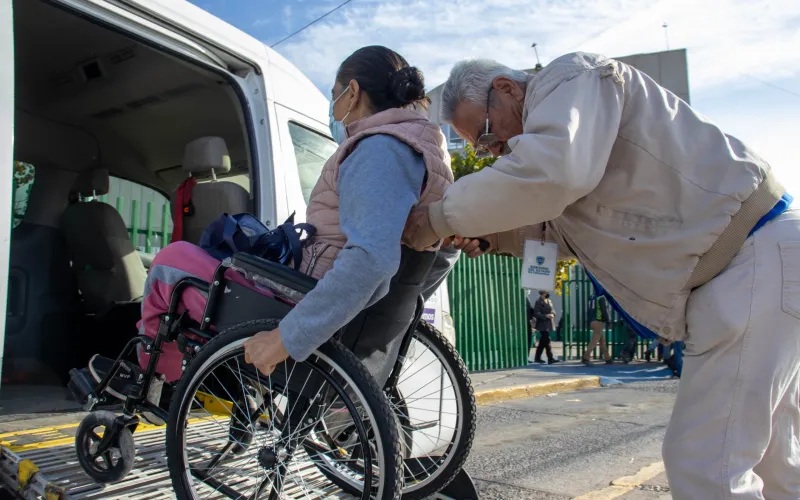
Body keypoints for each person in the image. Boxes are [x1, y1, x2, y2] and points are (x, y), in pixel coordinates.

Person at [402, 52, 799, 499]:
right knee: (774, 462)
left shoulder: (570, 77)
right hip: (754, 264)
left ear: (507, 89)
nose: (491, 151)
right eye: (480, 147)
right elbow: (567, 230)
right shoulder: (567, 137)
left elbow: (553, 174)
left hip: (748, 261)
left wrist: (437, 218)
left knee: (706, 464)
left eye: (487, 134)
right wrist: (491, 234)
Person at [82, 45, 461, 418]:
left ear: (353, 92)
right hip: (332, 306)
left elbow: (370, 261)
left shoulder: (379, 150)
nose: (333, 110)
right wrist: (393, 310)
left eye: (334, 96)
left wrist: (289, 335)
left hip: (303, 303)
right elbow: (441, 255)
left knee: (171, 263)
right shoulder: (426, 155)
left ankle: (153, 383)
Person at [584, 293, 612, 365]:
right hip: (598, 322)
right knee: (594, 341)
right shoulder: (601, 297)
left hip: (592, 321)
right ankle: (586, 357)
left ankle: (607, 358)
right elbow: (604, 310)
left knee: (602, 341)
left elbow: (588, 310)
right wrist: (608, 320)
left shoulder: (592, 297)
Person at [532, 290, 559, 364]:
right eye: (546, 293)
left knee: (543, 341)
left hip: (549, 323)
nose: (547, 294)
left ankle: (537, 357)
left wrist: (553, 314)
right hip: (542, 324)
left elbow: (553, 309)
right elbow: (536, 314)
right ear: (542, 293)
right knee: (547, 340)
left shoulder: (549, 301)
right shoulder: (538, 302)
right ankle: (550, 358)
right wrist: (546, 316)